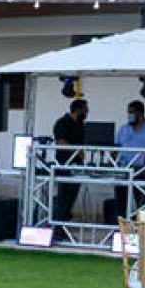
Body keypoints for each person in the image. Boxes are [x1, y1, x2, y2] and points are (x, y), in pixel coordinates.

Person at [110, 101, 145, 220]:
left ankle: (141, 231)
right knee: (121, 202)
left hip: (142, 171)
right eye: (128, 112)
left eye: (132, 112)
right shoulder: (123, 129)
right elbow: (115, 148)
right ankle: (121, 229)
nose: (129, 115)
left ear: (140, 113)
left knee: (142, 203)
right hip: (123, 170)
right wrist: (111, 162)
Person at [50, 97, 87, 226]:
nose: (87, 113)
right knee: (63, 198)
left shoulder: (80, 125)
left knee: (71, 197)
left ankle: (63, 225)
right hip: (64, 165)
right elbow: (60, 141)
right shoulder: (62, 122)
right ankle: (57, 227)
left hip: (76, 166)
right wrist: (77, 151)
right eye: (85, 110)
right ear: (78, 110)